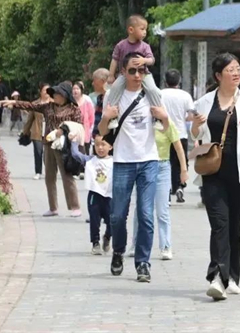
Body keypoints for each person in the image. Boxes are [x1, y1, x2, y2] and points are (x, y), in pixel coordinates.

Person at [191, 53, 240, 301]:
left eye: (238, 69)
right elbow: (195, 134)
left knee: (234, 225)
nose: (236, 73)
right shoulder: (204, 102)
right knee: (219, 224)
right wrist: (196, 125)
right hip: (213, 172)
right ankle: (217, 276)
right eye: (231, 70)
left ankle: (232, 276)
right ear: (218, 75)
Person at [98, 52, 166, 283]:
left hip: (149, 161)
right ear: (123, 73)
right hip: (123, 161)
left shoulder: (152, 95)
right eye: (132, 71)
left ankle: (143, 263)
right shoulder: (114, 96)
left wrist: (165, 118)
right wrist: (106, 117)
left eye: (141, 70)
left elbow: (167, 128)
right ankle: (118, 251)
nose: (137, 75)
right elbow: (102, 131)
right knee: (118, 215)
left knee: (146, 214)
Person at [0, 82, 83, 217]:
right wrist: (13, 102)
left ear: (65, 96)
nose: (54, 95)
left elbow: (79, 127)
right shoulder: (48, 107)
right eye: (54, 93)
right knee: (49, 176)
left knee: (67, 176)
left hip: (64, 146)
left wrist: (65, 131)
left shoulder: (74, 110)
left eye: (58, 93)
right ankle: (53, 207)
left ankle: (75, 206)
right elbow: (30, 105)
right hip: (49, 144)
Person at [132, 109, 189, 261]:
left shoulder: (167, 123)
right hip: (144, 168)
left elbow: (178, 147)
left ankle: (165, 246)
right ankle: (136, 244)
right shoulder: (142, 122)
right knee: (142, 209)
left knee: (162, 210)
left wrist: (183, 170)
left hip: (162, 167)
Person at [105, 14, 162, 129]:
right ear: (131, 30)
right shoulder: (121, 45)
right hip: (124, 74)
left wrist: (144, 60)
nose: (145, 32)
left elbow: (152, 60)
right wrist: (111, 75)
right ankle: (113, 116)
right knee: (115, 88)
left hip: (144, 74)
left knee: (153, 90)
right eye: (142, 29)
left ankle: (157, 116)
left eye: (145, 30)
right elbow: (115, 60)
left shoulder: (145, 46)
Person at [70, 135, 113, 255]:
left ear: (110, 146)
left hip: (110, 196)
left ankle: (107, 236)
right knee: (94, 220)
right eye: (97, 145)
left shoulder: (115, 161)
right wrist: (74, 141)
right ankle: (95, 243)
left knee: (112, 221)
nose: (100, 148)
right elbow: (76, 154)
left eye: (103, 145)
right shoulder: (90, 160)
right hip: (95, 195)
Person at [162, 69, 194, 203]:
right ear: (179, 81)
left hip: (163, 134)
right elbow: (191, 116)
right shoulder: (185, 95)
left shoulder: (160, 94)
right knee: (181, 162)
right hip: (181, 133)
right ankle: (180, 186)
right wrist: (182, 118)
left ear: (165, 81)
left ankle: (167, 192)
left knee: (165, 163)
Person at [22, 83, 50, 180]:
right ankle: (38, 172)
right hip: (37, 131)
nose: (47, 92)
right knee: (38, 151)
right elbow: (30, 119)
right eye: (45, 90)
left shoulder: (54, 103)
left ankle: (49, 171)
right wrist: (25, 132)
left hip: (49, 132)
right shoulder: (35, 104)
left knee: (48, 154)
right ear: (40, 92)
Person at [72, 81, 95, 155]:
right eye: (74, 89)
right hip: (73, 133)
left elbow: (91, 119)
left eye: (77, 89)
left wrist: (88, 130)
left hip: (85, 131)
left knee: (84, 152)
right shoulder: (70, 103)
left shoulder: (87, 103)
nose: (75, 91)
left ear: (81, 90)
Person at [91, 68, 109, 138]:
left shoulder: (111, 99)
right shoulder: (99, 98)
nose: (92, 84)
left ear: (102, 81)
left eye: (94, 80)